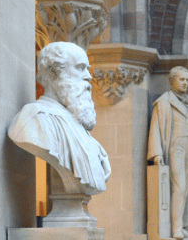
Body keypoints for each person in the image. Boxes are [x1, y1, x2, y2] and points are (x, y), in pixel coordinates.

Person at [9, 41, 111, 194]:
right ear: (53, 72)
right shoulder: (33, 119)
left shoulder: (83, 131)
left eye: (87, 69)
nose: (89, 77)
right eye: (80, 68)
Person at [147, 66, 188, 239]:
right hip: (175, 146)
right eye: (181, 79)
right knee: (178, 186)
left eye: (187, 80)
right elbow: (155, 128)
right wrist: (156, 154)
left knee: (187, 187)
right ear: (172, 80)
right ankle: (175, 228)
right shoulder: (164, 101)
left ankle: (185, 225)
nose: (185, 83)